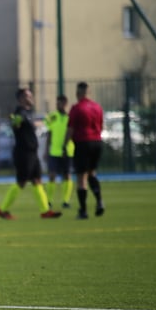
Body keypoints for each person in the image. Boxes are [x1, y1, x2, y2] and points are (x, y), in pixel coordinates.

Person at [0, 88, 61, 220]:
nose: (31, 98)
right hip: (23, 153)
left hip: (32, 153)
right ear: (21, 99)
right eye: (28, 96)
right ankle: (2, 210)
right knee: (21, 182)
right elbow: (15, 124)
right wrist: (15, 121)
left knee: (37, 180)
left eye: (31, 95)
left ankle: (45, 211)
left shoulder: (28, 113)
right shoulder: (19, 113)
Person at [64, 82, 105, 219]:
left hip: (82, 143)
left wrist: (65, 145)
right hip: (97, 142)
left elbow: (71, 129)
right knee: (92, 173)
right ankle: (99, 201)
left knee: (81, 178)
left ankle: (83, 211)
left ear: (77, 94)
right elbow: (101, 126)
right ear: (89, 92)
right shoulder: (97, 107)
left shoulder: (76, 108)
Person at [45, 95, 75, 209]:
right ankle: (49, 200)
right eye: (57, 103)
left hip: (67, 151)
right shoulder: (52, 117)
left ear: (65, 104)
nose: (58, 105)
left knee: (67, 175)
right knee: (52, 175)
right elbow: (49, 133)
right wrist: (46, 149)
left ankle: (66, 200)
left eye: (60, 103)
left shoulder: (70, 117)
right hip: (54, 151)